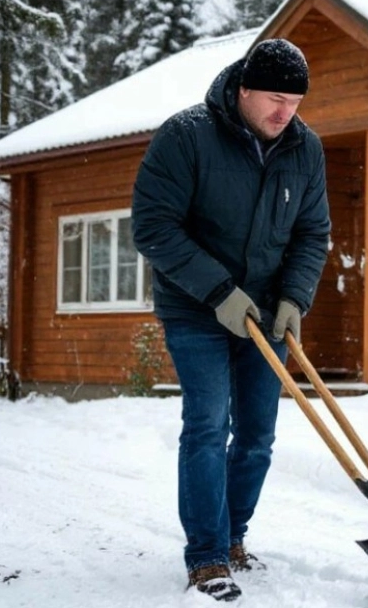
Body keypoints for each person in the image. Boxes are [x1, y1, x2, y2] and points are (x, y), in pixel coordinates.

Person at [131, 38, 331, 601]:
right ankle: (207, 557)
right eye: (273, 98)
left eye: (293, 102)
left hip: (266, 310)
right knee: (207, 426)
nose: (284, 113)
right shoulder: (186, 135)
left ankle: (233, 537)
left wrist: (294, 297)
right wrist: (219, 290)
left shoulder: (305, 149)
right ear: (243, 90)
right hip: (196, 309)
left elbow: (312, 232)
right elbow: (153, 227)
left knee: (258, 438)